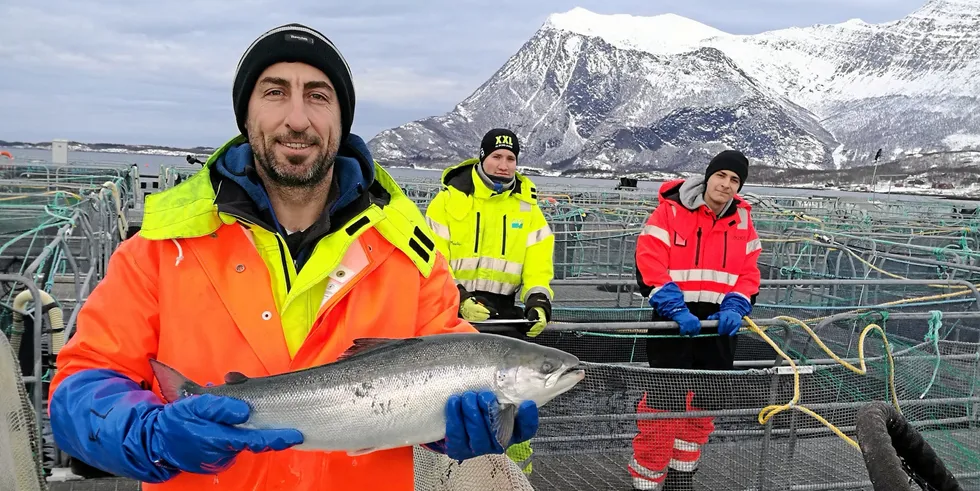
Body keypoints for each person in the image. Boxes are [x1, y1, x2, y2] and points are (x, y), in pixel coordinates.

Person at [46, 23, 538, 491]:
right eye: (275, 91)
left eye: (318, 96)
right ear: (246, 114)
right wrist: (150, 434)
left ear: (341, 121)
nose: (297, 119)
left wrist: (447, 426)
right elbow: (79, 388)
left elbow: (450, 371)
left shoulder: (410, 258)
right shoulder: (160, 250)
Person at [628, 150, 762, 491]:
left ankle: (681, 476)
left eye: (735, 180)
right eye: (722, 176)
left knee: (704, 406)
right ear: (708, 177)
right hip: (674, 323)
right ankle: (646, 481)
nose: (726, 185)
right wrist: (674, 308)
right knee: (663, 407)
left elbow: (749, 273)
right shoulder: (670, 212)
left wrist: (735, 306)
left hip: (719, 326)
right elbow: (649, 261)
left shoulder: (743, 223)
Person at [423, 128, 555, 474]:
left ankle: (513, 476)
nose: (503, 164)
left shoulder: (529, 208)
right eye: (496, 156)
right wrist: (460, 297)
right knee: (456, 407)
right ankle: (452, 475)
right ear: (482, 157)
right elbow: (433, 260)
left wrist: (539, 300)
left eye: (510, 158)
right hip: (455, 314)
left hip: (507, 316)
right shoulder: (449, 202)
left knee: (515, 408)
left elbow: (538, 263)